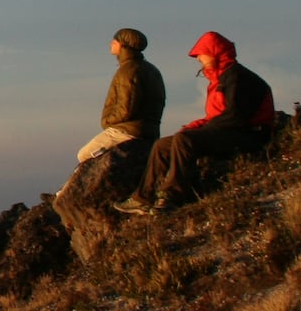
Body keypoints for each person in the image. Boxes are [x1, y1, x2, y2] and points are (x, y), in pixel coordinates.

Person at [116, 31, 275, 215]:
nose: (198, 58)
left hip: (250, 135)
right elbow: (217, 116)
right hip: (230, 130)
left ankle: (172, 195)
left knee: (185, 140)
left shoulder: (238, 78)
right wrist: (197, 126)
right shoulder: (220, 78)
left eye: (201, 53)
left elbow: (235, 117)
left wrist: (201, 130)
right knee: (162, 146)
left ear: (214, 52)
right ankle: (142, 198)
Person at [75, 27, 166, 162]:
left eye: (115, 41)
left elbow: (126, 108)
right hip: (150, 132)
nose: (111, 43)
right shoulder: (151, 69)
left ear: (124, 45)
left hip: (128, 131)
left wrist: (107, 122)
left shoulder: (128, 71)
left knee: (84, 155)